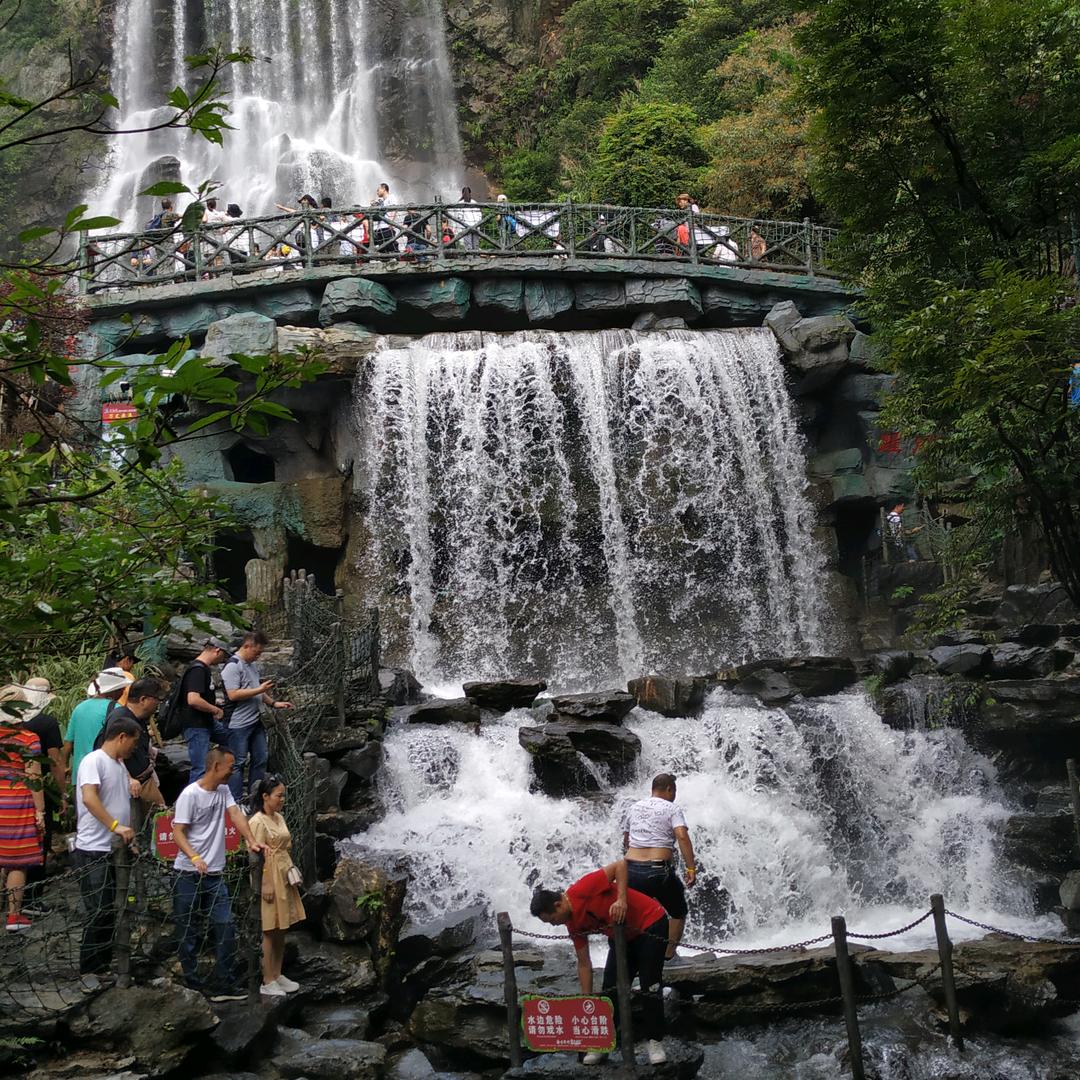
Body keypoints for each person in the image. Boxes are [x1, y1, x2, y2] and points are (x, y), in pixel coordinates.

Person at [531, 860, 669, 1065]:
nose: (554, 925)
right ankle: (603, 1043)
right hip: (621, 937)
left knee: (650, 984)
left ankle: (655, 1042)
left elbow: (621, 865)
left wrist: (621, 900)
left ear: (558, 905)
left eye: (551, 920)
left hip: (650, 923)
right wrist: (587, 1002)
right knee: (610, 989)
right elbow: (584, 963)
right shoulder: (572, 924)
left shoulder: (583, 889)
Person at [171, 746, 265, 1000]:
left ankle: (224, 983)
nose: (234, 771)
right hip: (187, 872)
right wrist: (194, 856)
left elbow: (236, 815)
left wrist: (250, 840)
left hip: (214, 873)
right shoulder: (190, 795)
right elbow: (178, 831)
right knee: (188, 928)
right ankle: (192, 984)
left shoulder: (223, 791)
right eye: (231, 766)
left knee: (225, 925)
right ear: (216, 767)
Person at [73, 715, 140, 972]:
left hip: (114, 848)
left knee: (111, 909)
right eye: (132, 743)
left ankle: (103, 964)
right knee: (98, 910)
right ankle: (89, 969)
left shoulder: (120, 764)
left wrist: (126, 838)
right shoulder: (94, 761)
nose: (133, 749)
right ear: (121, 737)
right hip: (93, 849)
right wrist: (115, 826)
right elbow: (89, 798)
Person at [621, 772, 697, 959]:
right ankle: (667, 957)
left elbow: (626, 840)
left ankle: (633, 957)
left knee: (636, 916)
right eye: (674, 791)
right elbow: (681, 836)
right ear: (670, 789)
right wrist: (690, 868)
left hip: (630, 869)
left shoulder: (634, 807)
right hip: (657, 870)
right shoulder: (671, 808)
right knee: (678, 912)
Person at [247, 775, 305, 996]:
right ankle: (267, 979)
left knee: (283, 926)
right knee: (270, 929)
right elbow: (254, 857)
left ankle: (278, 973)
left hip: (284, 873)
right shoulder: (257, 822)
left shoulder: (279, 817)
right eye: (279, 796)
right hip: (269, 876)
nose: (282, 799)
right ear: (265, 796)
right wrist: (265, 883)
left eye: (283, 795)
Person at [221, 631, 292, 801]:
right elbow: (233, 694)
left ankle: (256, 797)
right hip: (238, 723)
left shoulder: (251, 665)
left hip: (256, 721)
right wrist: (260, 690)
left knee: (261, 758)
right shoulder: (232, 666)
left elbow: (257, 691)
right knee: (237, 763)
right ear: (247, 646)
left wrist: (274, 703)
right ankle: (236, 801)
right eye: (257, 652)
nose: (258, 656)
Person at [0, 686, 46, 932]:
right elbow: (34, 778)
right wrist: (40, 811)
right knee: (16, 861)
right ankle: (13, 916)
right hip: (16, 803)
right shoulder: (28, 739)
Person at [19, 678, 65, 916]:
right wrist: (63, 792)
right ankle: (32, 898)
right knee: (39, 840)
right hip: (38, 789)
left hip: (9, 790)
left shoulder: (11, 721)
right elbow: (55, 761)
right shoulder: (46, 723)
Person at [101, 677, 167, 814]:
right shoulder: (121, 718)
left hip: (144, 781)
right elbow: (111, 752)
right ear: (143, 700)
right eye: (156, 700)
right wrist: (128, 778)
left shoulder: (139, 719)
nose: (157, 705)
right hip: (131, 785)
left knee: (159, 819)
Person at [64, 668, 128, 787]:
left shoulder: (79, 708)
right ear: (113, 690)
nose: (123, 691)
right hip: (105, 774)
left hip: (80, 774)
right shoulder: (117, 710)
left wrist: (65, 767)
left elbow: (68, 744)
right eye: (121, 688)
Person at [180, 638, 229, 784]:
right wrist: (214, 710)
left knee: (230, 737)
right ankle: (193, 803)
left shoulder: (202, 668)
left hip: (205, 722)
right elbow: (193, 699)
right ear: (217, 650)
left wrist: (213, 702)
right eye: (223, 656)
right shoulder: (198, 670)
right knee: (200, 768)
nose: (223, 660)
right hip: (196, 725)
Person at [372, 183, 397, 253]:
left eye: (378, 190)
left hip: (387, 226)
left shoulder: (391, 197)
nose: (377, 192)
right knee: (382, 248)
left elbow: (394, 210)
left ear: (384, 189)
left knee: (391, 246)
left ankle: (399, 259)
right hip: (380, 228)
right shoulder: (382, 201)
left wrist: (391, 223)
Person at [457, 187, 482, 251]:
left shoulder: (460, 203)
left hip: (468, 227)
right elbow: (479, 216)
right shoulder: (474, 202)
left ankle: (471, 259)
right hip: (473, 226)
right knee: (473, 245)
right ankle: (474, 258)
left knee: (470, 245)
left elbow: (459, 218)